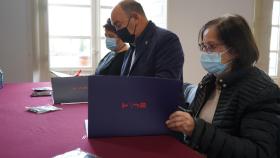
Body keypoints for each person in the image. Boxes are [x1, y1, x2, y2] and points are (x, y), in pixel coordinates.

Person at [166, 14, 280, 158]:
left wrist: (196, 129)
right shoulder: (210, 80)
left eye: (211, 47)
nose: (205, 53)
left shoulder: (262, 91)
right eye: (203, 46)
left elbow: (259, 152)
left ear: (236, 49)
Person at [111, 0, 184, 80]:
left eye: (118, 25)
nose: (117, 32)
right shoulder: (131, 49)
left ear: (135, 18)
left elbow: (165, 85)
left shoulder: (167, 40)